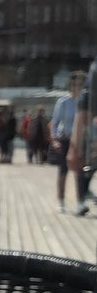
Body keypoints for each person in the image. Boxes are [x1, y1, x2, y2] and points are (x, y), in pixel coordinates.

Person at [50, 72, 85, 212]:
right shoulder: (63, 102)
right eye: (75, 84)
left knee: (80, 173)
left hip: (80, 140)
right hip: (65, 140)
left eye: (80, 84)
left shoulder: (85, 102)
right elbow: (54, 123)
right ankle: (61, 200)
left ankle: (80, 202)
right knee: (63, 172)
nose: (77, 87)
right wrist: (55, 140)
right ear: (71, 86)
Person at [68, 57, 97, 217]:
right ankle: (81, 201)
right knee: (83, 171)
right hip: (89, 140)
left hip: (90, 139)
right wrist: (76, 145)